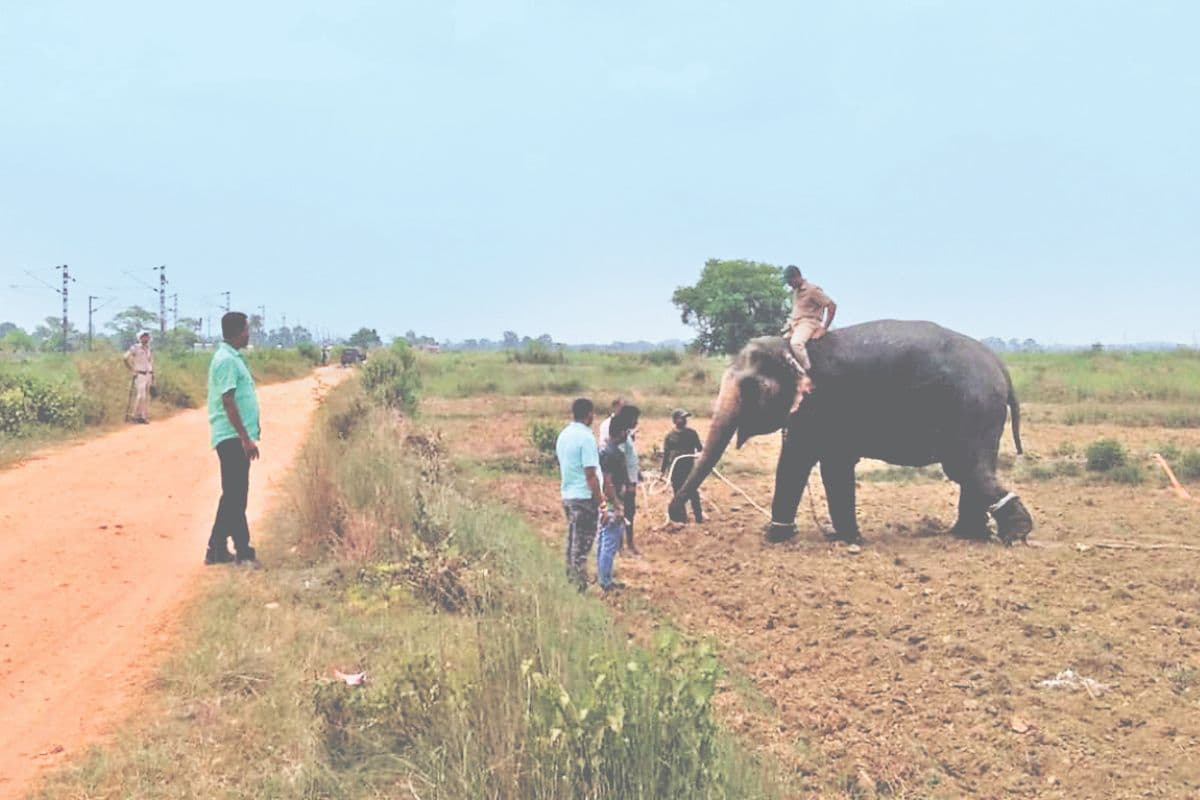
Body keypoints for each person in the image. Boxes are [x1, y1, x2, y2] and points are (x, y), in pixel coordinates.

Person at [205, 312, 262, 567]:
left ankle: (216, 548)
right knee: (236, 496)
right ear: (238, 331)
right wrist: (244, 438)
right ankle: (243, 550)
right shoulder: (227, 360)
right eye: (246, 329)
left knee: (232, 495)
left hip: (233, 436)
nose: (249, 334)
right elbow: (228, 401)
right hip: (231, 436)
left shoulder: (231, 357)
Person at [556, 397, 602, 591]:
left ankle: (571, 578)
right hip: (584, 498)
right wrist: (601, 501)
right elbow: (590, 474)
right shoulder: (586, 437)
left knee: (572, 540)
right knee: (582, 544)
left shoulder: (564, 435)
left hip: (568, 495)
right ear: (589, 414)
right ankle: (578, 585)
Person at [782, 265, 837, 414]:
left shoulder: (812, 290)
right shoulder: (795, 291)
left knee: (796, 343)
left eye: (790, 281)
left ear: (797, 277)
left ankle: (807, 373)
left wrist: (823, 327)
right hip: (795, 323)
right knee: (780, 346)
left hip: (809, 322)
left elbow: (831, 305)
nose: (789, 284)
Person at [596, 406, 637, 592]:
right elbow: (608, 483)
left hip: (606, 502)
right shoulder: (612, 454)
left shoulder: (605, 450)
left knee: (604, 540)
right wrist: (617, 506)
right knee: (609, 543)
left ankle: (603, 577)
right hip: (612, 502)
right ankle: (605, 582)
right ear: (621, 432)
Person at [599, 397, 642, 554]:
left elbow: (630, 457)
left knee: (629, 512)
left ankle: (627, 543)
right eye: (635, 419)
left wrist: (636, 475)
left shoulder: (626, 433)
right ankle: (620, 546)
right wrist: (627, 484)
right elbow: (620, 460)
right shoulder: (617, 432)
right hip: (621, 481)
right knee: (620, 511)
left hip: (629, 479)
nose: (636, 422)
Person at [663, 408, 704, 523]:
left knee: (693, 492)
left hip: (690, 469)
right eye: (682, 418)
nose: (684, 420)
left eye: (685, 418)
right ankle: (682, 519)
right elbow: (666, 454)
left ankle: (699, 518)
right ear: (675, 420)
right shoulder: (670, 436)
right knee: (678, 493)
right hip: (675, 470)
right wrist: (663, 471)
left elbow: (700, 448)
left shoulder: (692, 433)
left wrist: (700, 457)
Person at [123, 330, 155, 424]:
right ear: (140, 338)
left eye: (147, 336)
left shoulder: (149, 349)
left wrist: (153, 375)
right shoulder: (135, 348)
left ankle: (142, 416)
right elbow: (125, 358)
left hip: (148, 374)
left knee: (146, 397)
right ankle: (135, 415)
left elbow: (150, 362)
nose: (146, 338)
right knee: (141, 396)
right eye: (144, 336)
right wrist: (132, 369)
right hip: (139, 374)